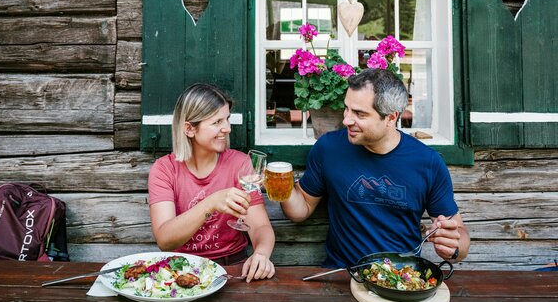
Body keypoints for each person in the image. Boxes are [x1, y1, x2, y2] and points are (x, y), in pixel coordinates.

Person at [281, 68, 470, 267]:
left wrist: (453, 246)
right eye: (347, 108)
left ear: (390, 118)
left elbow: (460, 237)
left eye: (360, 114)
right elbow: (300, 209)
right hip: (342, 275)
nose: (346, 120)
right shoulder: (329, 148)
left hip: (401, 280)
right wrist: (281, 184)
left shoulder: (428, 163)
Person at [148, 83, 275, 282]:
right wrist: (211, 202)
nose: (228, 128)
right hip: (182, 270)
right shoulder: (164, 169)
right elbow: (165, 240)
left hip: (233, 267)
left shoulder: (240, 163)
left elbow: (260, 227)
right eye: (217, 122)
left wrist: (261, 254)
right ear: (189, 129)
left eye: (227, 119)